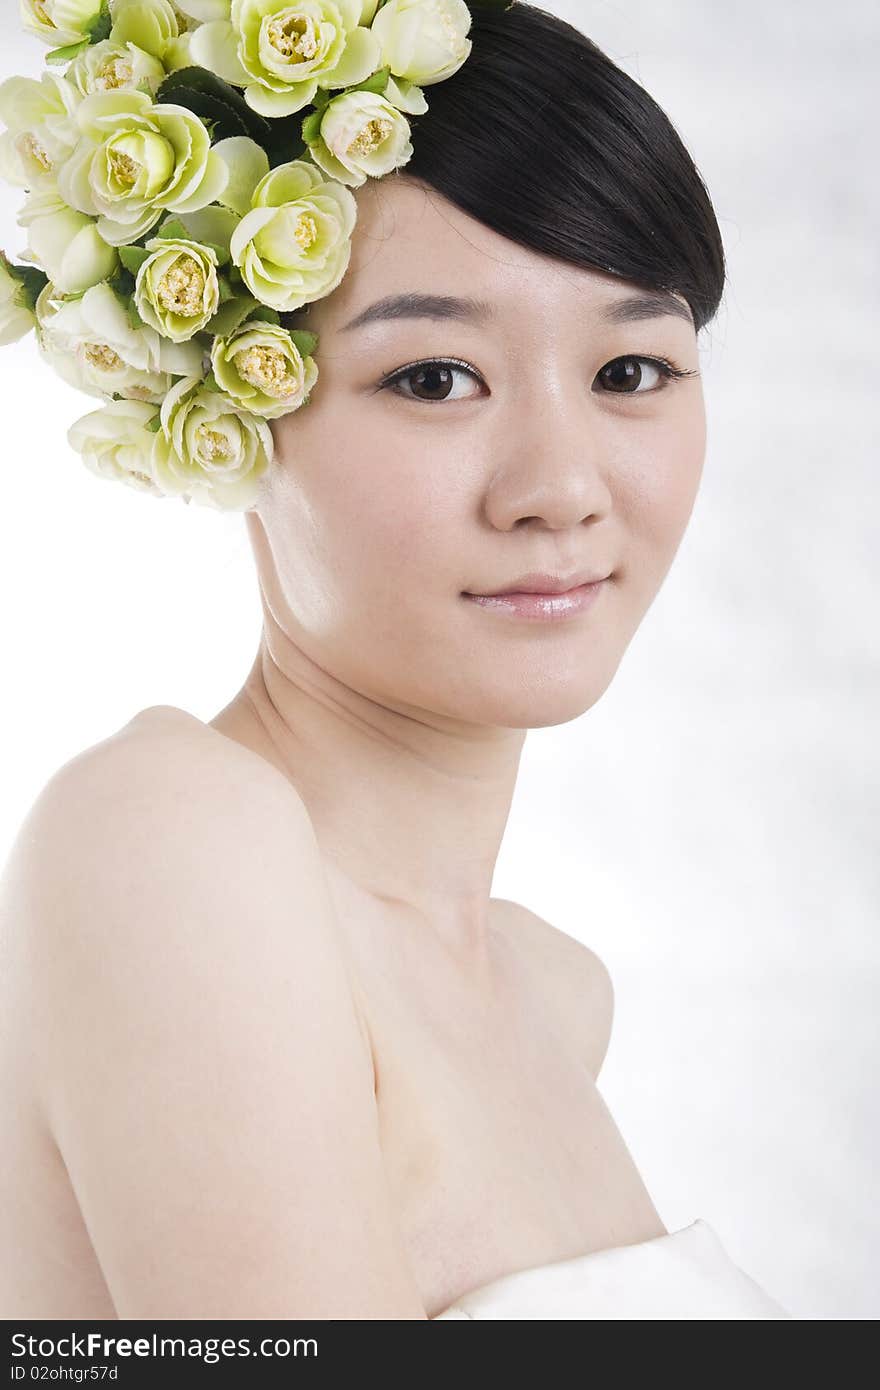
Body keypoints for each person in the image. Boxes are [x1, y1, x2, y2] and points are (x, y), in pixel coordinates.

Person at [0, 1, 791, 1319]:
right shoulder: (172, 839)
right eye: (435, 377)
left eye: (634, 367)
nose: (561, 487)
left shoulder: (552, 995)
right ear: (225, 416)